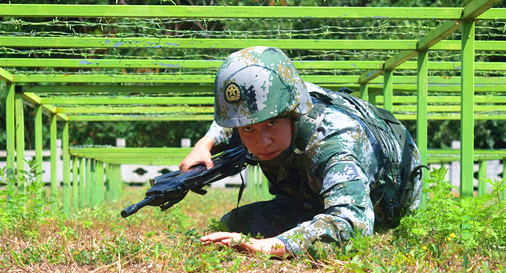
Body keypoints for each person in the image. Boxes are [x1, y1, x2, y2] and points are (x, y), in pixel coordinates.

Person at [179, 46, 423, 258]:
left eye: (271, 124)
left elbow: (352, 223)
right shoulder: (278, 94)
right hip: (312, 196)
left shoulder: (335, 142)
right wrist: (205, 143)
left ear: (294, 114)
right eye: (248, 129)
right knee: (234, 222)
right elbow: (238, 115)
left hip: (380, 206)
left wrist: (270, 246)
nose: (261, 141)